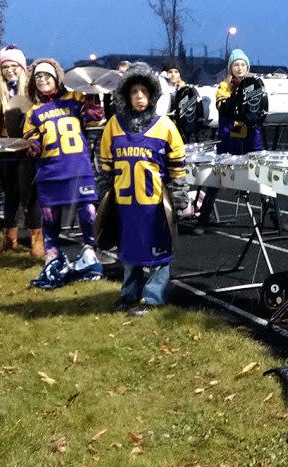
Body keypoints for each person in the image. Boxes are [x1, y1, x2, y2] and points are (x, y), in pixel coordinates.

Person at [99, 70, 189, 316]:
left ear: (152, 95)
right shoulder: (114, 126)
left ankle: (154, 298)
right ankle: (129, 294)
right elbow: (106, 168)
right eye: (133, 92)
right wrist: (104, 198)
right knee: (129, 252)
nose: (139, 97)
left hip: (155, 206)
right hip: (127, 206)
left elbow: (177, 169)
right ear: (125, 96)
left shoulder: (165, 126)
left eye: (144, 92)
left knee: (159, 252)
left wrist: (179, 198)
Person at [23, 58, 104, 289]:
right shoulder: (34, 112)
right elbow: (32, 139)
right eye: (38, 77)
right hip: (50, 171)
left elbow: (95, 118)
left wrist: (93, 98)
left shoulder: (75, 99)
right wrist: (32, 146)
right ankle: (52, 256)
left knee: (88, 213)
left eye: (47, 75)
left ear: (57, 78)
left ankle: (90, 251)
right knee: (50, 218)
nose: (43, 80)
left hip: (78, 167)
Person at [193, 49, 285, 235]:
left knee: (264, 176)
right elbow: (223, 108)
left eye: (243, 64)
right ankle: (203, 219)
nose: (240, 67)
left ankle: (276, 219)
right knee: (215, 179)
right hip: (229, 138)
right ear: (230, 68)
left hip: (251, 138)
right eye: (236, 64)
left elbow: (262, 109)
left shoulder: (257, 84)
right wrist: (239, 94)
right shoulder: (224, 86)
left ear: (247, 67)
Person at [0, 45, 45, 258]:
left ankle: (37, 242)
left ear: (22, 67)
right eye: (5, 67)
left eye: (14, 66)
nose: (9, 70)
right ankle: (9, 239)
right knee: (9, 195)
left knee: (30, 194)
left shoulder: (31, 90)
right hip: (4, 147)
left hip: (26, 148)